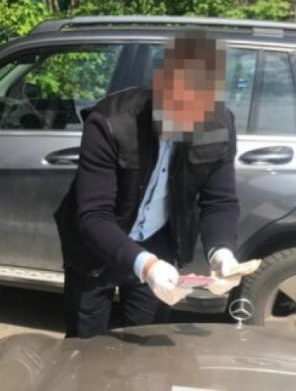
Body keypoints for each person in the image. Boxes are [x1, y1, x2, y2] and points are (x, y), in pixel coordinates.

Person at [55, 33, 243, 338]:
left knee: (147, 341)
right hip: (95, 247)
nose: (179, 124)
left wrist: (221, 252)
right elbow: (94, 215)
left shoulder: (219, 126)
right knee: (85, 345)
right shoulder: (109, 122)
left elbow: (219, 202)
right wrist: (146, 266)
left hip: (158, 240)